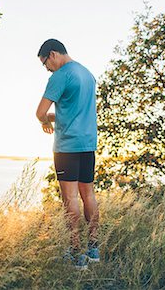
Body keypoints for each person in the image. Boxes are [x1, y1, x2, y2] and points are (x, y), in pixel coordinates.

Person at [35, 39, 99, 270]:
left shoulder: (60, 76)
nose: (47, 69)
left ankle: (75, 254)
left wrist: (44, 121)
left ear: (52, 55)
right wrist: (53, 119)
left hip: (67, 147)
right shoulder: (87, 74)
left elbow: (40, 112)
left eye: (45, 64)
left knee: (70, 199)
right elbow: (75, 111)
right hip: (88, 144)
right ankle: (93, 249)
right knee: (88, 195)